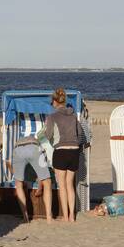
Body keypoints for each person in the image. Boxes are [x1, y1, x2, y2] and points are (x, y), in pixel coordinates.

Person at [44, 89, 84, 222]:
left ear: (55, 102)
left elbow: (48, 135)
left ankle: (66, 216)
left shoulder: (52, 117)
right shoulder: (73, 116)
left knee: (62, 185)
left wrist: (51, 141)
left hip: (61, 151)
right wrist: (75, 144)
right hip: (74, 151)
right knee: (70, 185)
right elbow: (80, 135)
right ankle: (72, 216)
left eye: (51, 102)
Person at [7, 125, 52, 221]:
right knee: (47, 182)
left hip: (17, 149)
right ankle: (49, 217)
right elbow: (42, 175)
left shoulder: (20, 139)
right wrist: (40, 188)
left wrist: (19, 179)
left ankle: (25, 216)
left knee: (18, 185)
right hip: (33, 147)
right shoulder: (41, 143)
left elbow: (8, 163)